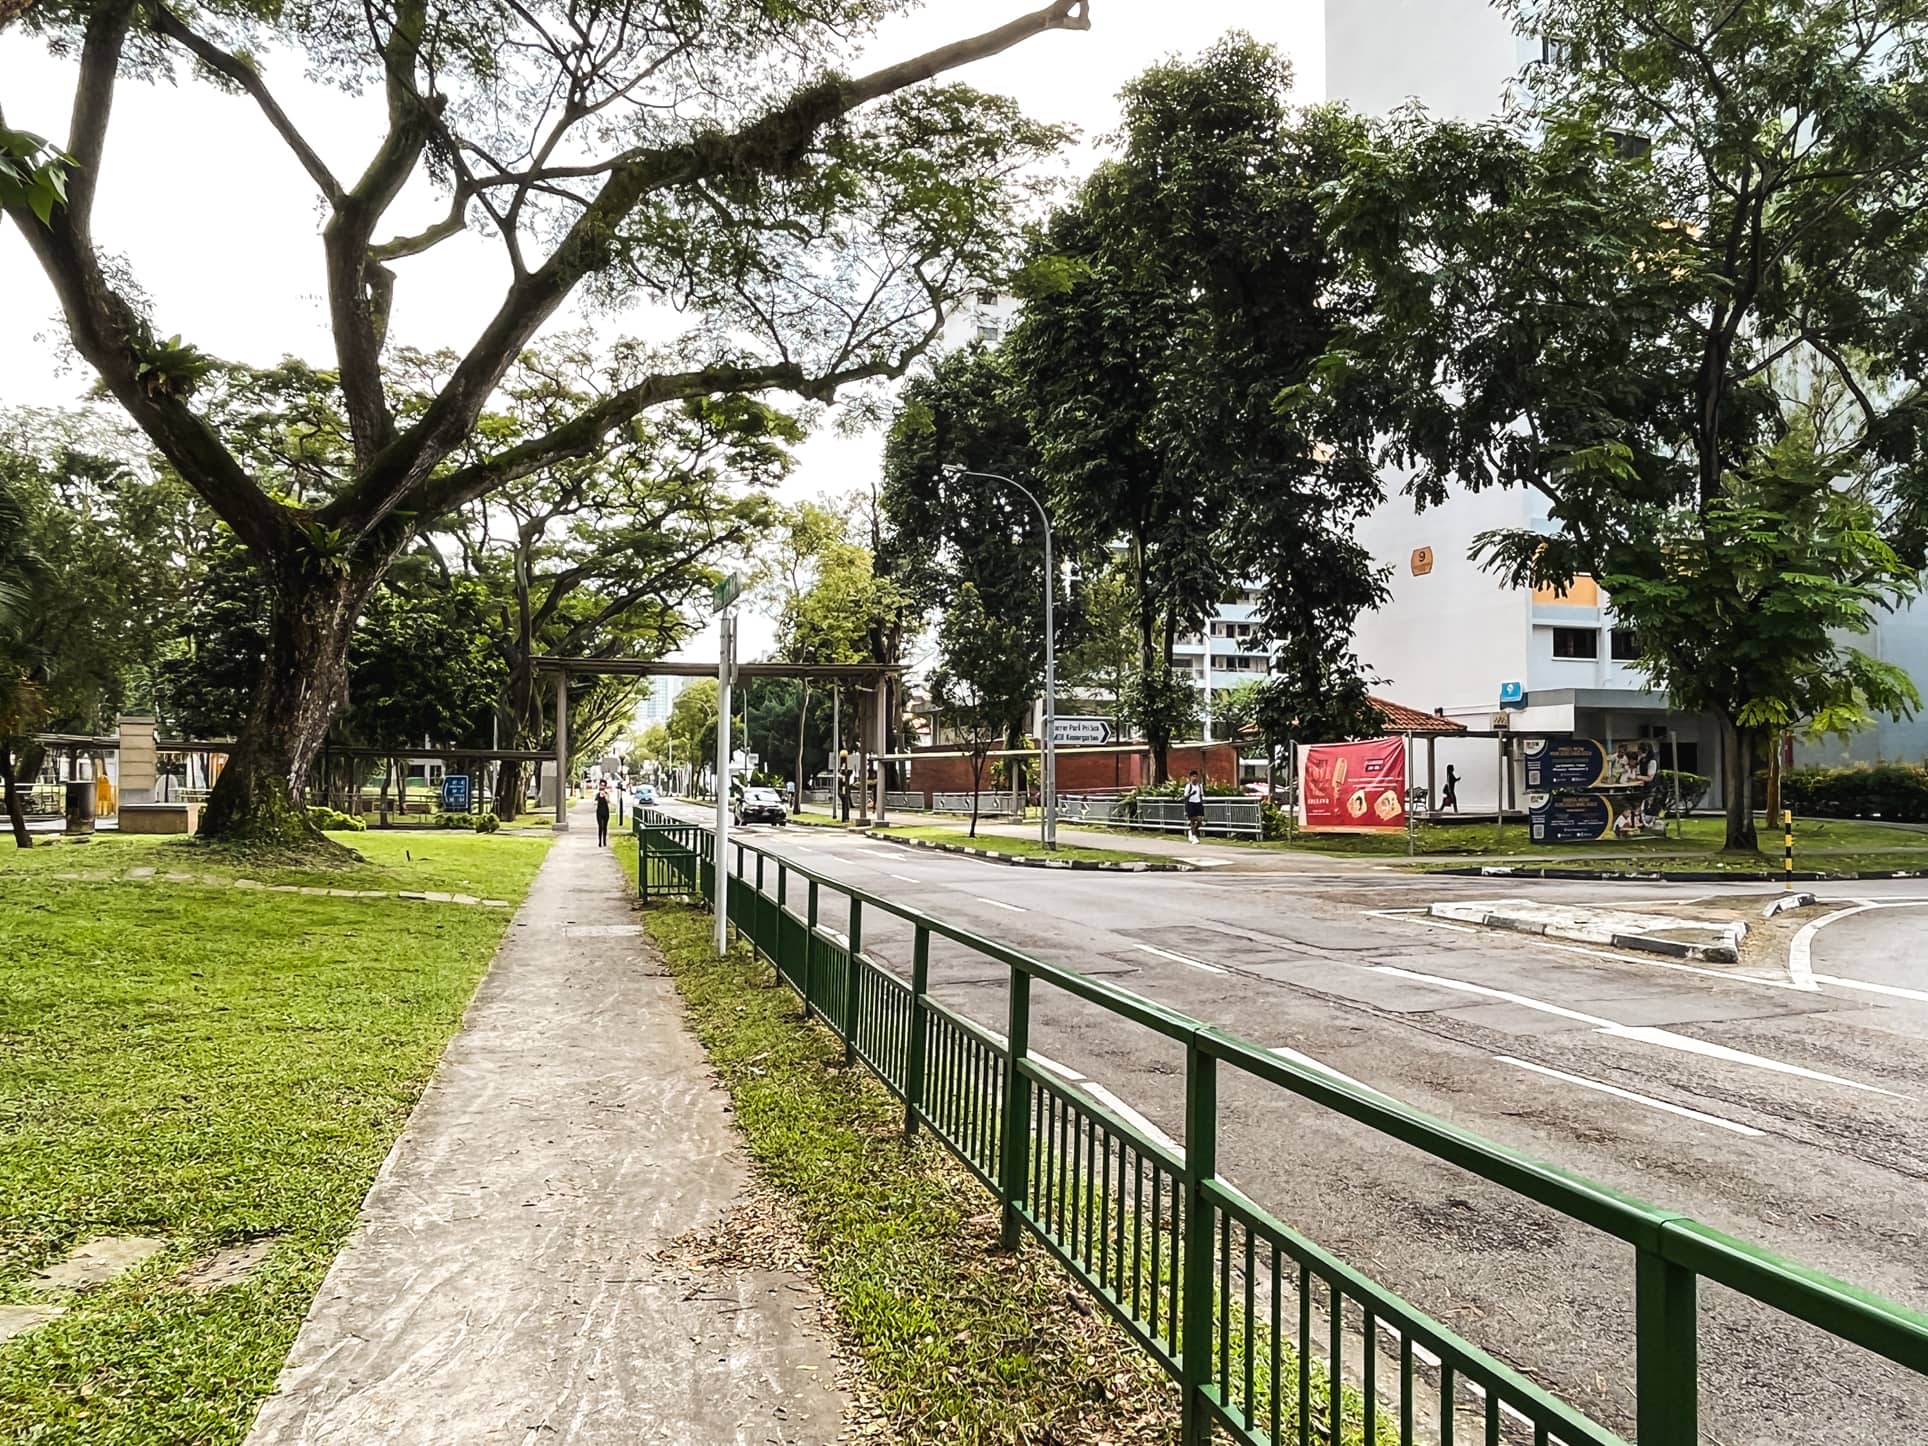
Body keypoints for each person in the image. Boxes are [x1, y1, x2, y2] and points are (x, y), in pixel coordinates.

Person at [1183, 769, 1206, 845]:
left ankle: (1191, 831)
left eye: (1196, 776)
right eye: (1193, 776)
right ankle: (1194, 837)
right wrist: (1191, 794)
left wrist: (1202, 803)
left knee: (1200, 820)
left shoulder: (1200, 786)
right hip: (1190, 804)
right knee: (1192, 821)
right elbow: (1185, 797)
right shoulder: (1188, 786)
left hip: (1198, 803)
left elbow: (1201, 795)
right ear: (1190, 777)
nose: (1195, 778)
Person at [594, 781, 611, 847]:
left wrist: (605, 796)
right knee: (600, 827)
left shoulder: (607, 793)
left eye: (603, 785)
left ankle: (604, 841)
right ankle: (600, 841)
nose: (602, 786)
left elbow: (608, 801)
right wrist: (598, 797)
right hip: (599, 812)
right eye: (601, 785)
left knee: (605, 827)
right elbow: (595, 802)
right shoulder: (597, 794)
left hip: (606, 812)